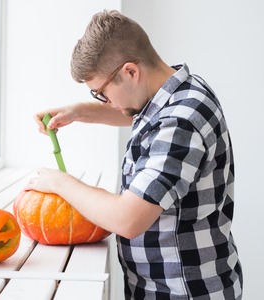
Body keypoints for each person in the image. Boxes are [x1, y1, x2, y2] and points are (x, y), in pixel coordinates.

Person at [27, 10, 243, 300]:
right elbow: (142, 116)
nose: (105, 101)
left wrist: (59, 183)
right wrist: (79, 111)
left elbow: (128, 219)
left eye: (101, 93)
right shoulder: (180, 91)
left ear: (130, 71)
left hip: (184, 291)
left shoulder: (181, 122)